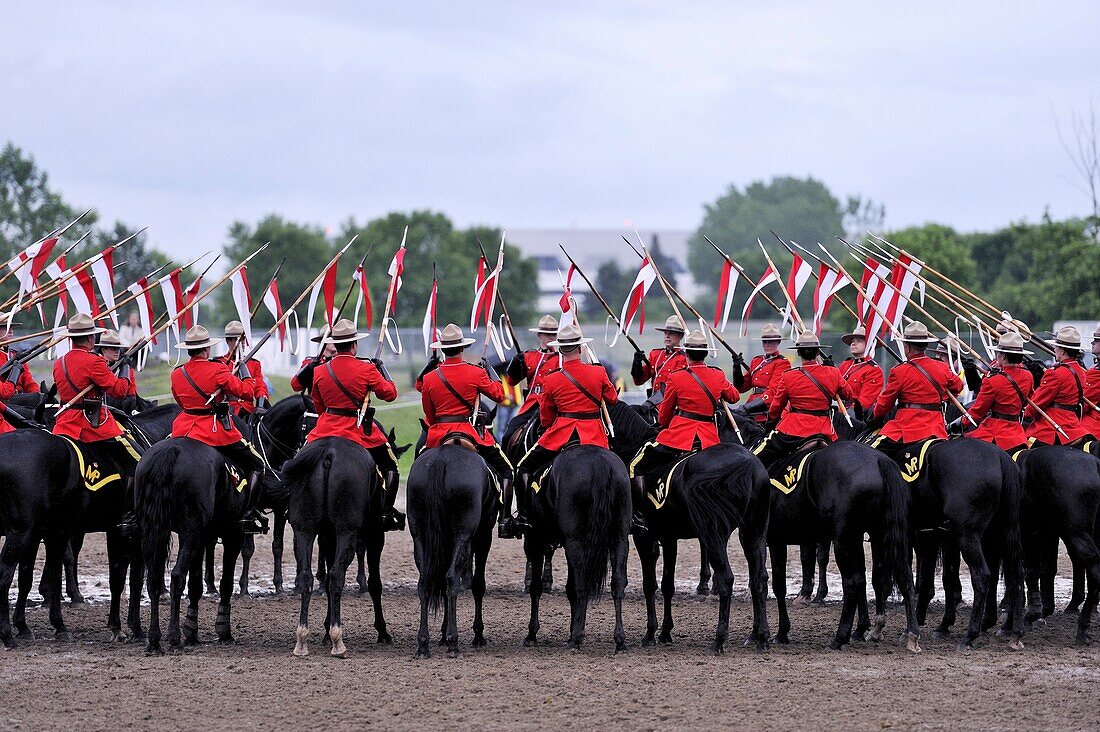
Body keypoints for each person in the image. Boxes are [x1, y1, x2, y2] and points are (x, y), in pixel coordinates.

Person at [514, 324, 620, 533]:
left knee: (523, 468)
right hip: (595, 434)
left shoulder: (551, 379)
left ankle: (524, 516)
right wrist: (599, 375)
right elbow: (613, 400)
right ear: (580, 349)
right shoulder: (598, 372)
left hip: (561, 434)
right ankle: (627, 515)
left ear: (560, 350)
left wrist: (550, 426)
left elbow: (545, 417)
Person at [629, 330, 736, 532]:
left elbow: (664, 415)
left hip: (680, 436)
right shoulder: (718, 374)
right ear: (705, 354)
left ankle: (639, 514)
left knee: (636, 465)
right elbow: (734, 397)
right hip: (708, 438)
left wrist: (663, 424)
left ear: (686, 354)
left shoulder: (677, 377)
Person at [305, 319, 403, 531]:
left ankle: (293, 504)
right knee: (391, 465)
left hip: (325, 428)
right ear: (354, 345)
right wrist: (382, 369)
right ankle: (386, 512)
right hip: (357, 431)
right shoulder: (367, 369)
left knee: (300, 463)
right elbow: (390, 394)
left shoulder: (320, 371)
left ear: (335, 345)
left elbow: (319, 404)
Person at [170, 324, 268, 534]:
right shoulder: (217, 370)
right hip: (212, 430)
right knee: (258, 464)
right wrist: (245, 372)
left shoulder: (178, 373)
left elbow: (180, 401)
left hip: (183, 429)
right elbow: (247, 392)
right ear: (206, 350)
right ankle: (249, 513)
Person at [416, 323, 514, 533]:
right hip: (470, 433)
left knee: (419, 463)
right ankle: (505, 520)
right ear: (462, 349)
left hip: (439, 433)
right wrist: (490, 372)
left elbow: (430, 415)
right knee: (506, 470)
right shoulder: (476, 373)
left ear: (442, 349)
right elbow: (499, 395)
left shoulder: (430, 378)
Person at [52, 313, 142, 537]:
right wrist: (124, 369)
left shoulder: (59, 362)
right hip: (93, 425)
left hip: (64, 425)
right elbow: (119, 391)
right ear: (90, 339)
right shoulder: (95, 362)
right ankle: (129, 515)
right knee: (140, 461)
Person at [751, 332, 853, 467]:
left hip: (794, 430)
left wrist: (771, 422)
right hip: (824, 430)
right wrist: (832, 370)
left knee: (753, 460)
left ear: (798, 353)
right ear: (817, 353)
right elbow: (848, 395)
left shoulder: (789, 376)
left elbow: (776, 407)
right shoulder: (833, 372)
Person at [868, 321, 963, 460]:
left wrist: (875, 414)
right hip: (935, 428)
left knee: (868, 453)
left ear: (907, 347)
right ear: (925, 346)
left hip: (906, 428)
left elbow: (884, 405)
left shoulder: (899, 371)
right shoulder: (941, 367)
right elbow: (958, 386)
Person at [948, 331, 1034, 452]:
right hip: (1016, 433)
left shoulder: (993, 380)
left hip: (994, 433)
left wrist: (960, 423)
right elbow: (1026, 402)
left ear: (1003, 356)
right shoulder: (1028, 376)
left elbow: (978, 412)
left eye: (998, 352)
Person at [1024, 326, 1090, 446]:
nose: (1054, 349)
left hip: (1051, 426)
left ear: (1063, 351)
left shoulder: (1054, 373)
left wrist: (1025, 413)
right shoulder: (1081, 371)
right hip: (1073, 425)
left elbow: (1037, 404)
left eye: (1056, 347)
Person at [500, 314, 558, 444]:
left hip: (554, 404)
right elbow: (511, 382)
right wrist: (514, 367)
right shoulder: (528, 356)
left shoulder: (561, 359)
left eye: (553, 334)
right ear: (539, 335)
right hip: (532, 404)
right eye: (547, 334)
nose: (551, 337)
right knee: (508, 434)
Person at [732, 323, 791, 423]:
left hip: (767, 410)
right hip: (752, 407)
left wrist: (746, 408)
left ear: (778, 342)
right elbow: (741, 387)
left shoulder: (782, 363)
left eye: (771, 342)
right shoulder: (757, 361)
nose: (768, 345)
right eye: (765, 342)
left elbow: (773, 392)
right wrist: (736, 367)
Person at [215, 320, 270, 418]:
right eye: (238, 340)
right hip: (226, 411)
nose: (242, 343)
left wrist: (260, 403)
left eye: (243, 339)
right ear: (228, 341)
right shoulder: (220, 363)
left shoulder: (253, 363)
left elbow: (260, 387)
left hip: (247, 410)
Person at [631, 315, 688, 398]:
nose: (667, 336)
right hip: (653, 404)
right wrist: (637, 362)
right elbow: (639, 380)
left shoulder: (684, 359)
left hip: (672, 405)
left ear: (680, 336)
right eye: (666, 333)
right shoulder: (655, 354)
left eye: (671, 333)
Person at [838, 325, 883, 418]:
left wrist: (848, 414)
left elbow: (865, 401)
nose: (853, 344)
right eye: (852, 342)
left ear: (869, 344)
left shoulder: (873, 370)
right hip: (840, 411)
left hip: (857, 415)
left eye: (859, 341)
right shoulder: (846, 364)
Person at [96, 330, 139, 409]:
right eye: (113, 349)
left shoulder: (127, 369)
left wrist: (124, 367)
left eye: (118, 348)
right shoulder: (96, 367)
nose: (117, 352)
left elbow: (131, 395)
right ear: (103, 350)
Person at [0, 314, 39, 396]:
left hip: (20, 400)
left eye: (11, 327)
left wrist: (37, 396)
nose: (10, 330)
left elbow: (29, 384)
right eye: (5, 327)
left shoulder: (15, 355)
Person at [1083, 325, 1100, 437]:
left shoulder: (1096, 373)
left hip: (1094, 423)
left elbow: (1083, 404)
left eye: (1097, 340)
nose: (1092, 343)